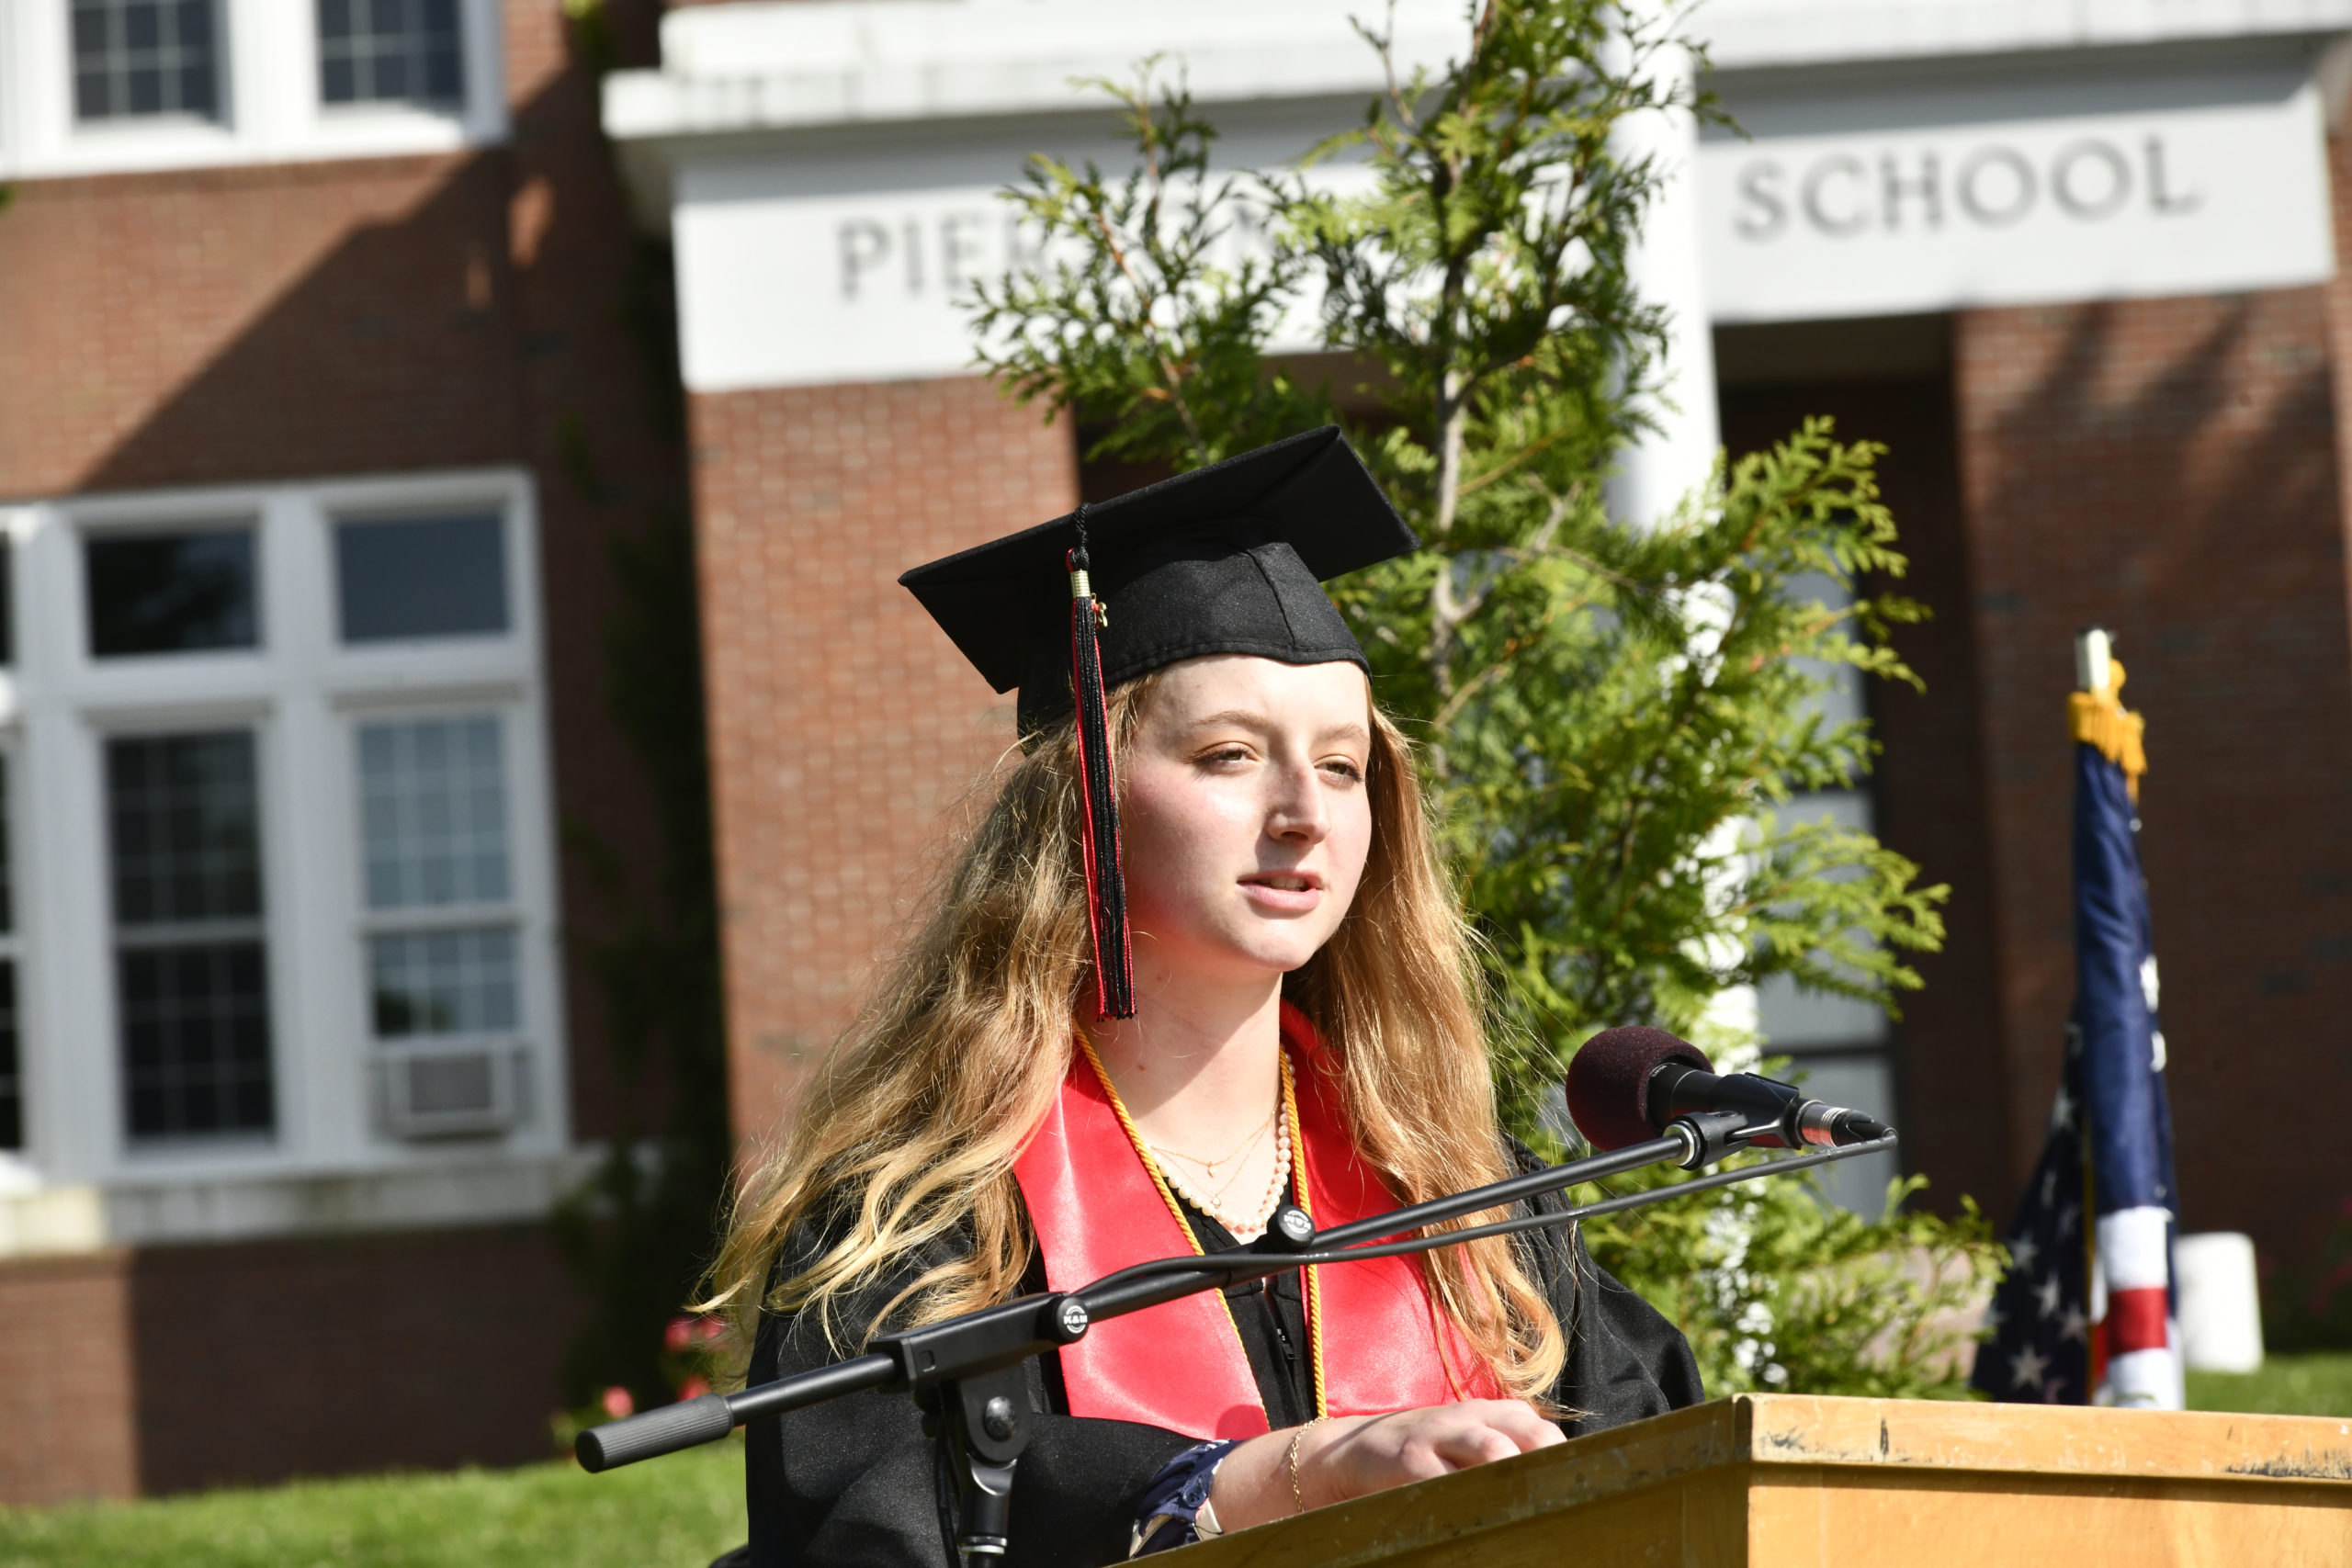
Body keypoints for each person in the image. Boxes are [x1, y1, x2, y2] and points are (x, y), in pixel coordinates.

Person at [706, 427, 1702, 1568]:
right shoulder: (924, 1233)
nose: (1304, 813)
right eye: (1230, 754)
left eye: (1341, 766)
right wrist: (1256, 1485)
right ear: (1086, 802)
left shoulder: (1473, 1208)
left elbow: (1670, 1488)